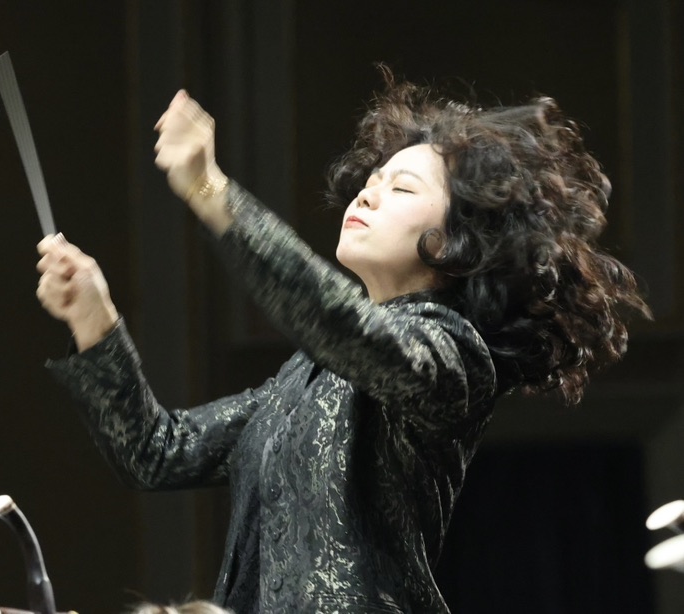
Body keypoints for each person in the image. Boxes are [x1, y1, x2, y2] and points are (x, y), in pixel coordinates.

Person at [36, 70, 650, 612]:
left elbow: (347, 329)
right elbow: (156, 453)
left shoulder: (454, 354)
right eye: (373, 179)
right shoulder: (305, 375)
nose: (367, 192)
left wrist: (209, 189)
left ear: (453, 243)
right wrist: (96, 319)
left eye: (402, 189)